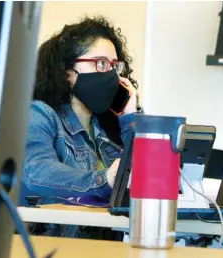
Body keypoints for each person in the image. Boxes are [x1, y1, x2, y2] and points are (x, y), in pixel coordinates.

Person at [19, 16, 142, 209]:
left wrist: (130, 117)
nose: (111, 74)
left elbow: (148, 177)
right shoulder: (39, 114)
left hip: (113, 237)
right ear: (67, 72)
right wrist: (105, 179)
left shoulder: (106, 128)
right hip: (56, 238)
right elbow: (38, 173)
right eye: (101, 63)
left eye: (114, 66)